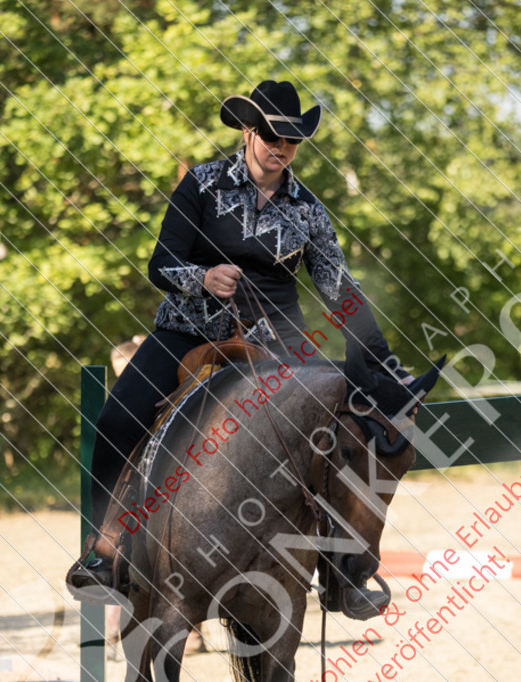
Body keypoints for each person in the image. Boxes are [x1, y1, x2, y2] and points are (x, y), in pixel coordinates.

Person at [70, 79, 411, 593]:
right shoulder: (202, 185)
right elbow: (161, 263)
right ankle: (106, 550)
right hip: (190, 326)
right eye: (272, 136)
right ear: (248, 131)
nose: (281, 149)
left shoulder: (309, 209)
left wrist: (379, 358)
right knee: (118, 418)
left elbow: (338, 285)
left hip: (282, 338)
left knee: (343, 425)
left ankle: (344, 574)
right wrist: (202, 278)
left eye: (291, 141)